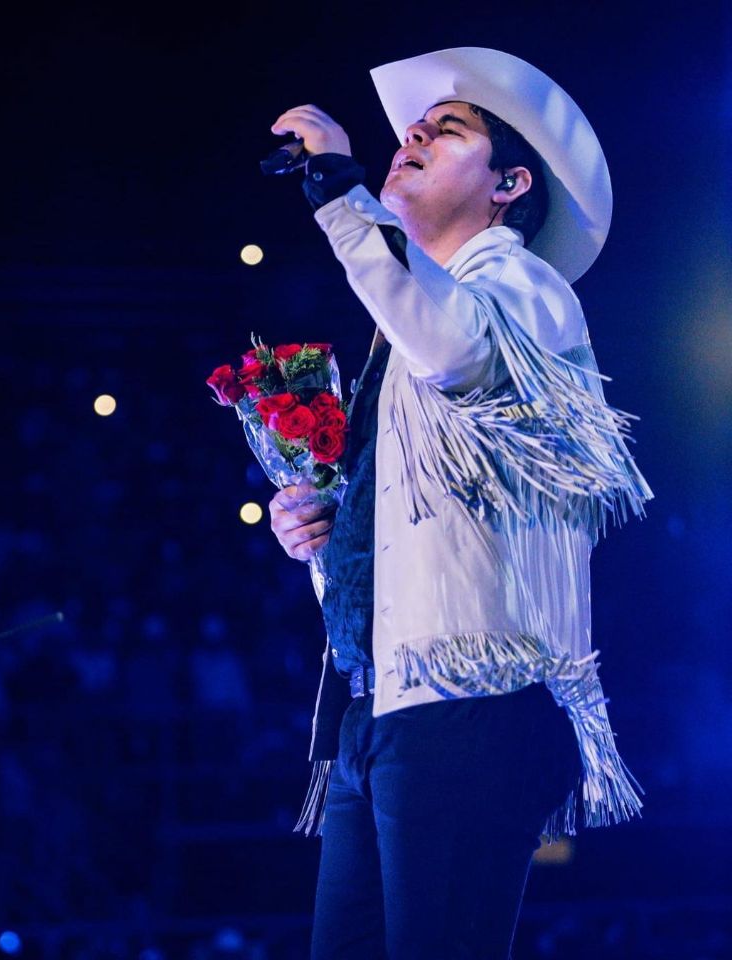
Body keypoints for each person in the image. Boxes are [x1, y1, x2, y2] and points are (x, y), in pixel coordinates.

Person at [267, 47, 652, 960]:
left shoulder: (522, 290)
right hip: (384, 708)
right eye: (414, 130)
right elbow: (417, 536)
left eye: (445, 131)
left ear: (510, 183)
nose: (412, 140)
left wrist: (337, 188)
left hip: (471, 704)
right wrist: (322, 536)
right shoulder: (399, 335)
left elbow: (455, 347)